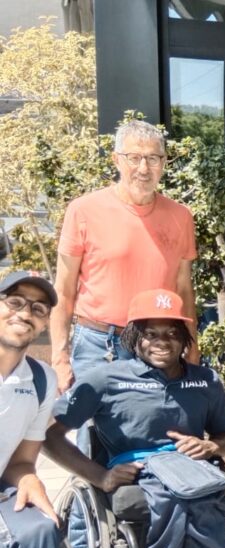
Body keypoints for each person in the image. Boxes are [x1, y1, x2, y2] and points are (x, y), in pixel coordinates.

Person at [44, 289, 225, 548]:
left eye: (172, 334)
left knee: (207, 492)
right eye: (151, 334)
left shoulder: (205, 380)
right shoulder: (106, 379)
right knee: (170, 495)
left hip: (190, 466)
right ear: (135, 337)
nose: (162, 342)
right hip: (137, 467)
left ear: (184, 340)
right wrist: (99, 476)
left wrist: (212, 446)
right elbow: (49, 436)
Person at [50, 120, 198, 393]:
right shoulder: (83, 210)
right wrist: (59, 357)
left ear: (163, 163)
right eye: (134, 158)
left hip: (158, 344)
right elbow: (64, 288)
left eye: (153, 158)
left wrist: (193, 347)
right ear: (116, 160)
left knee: (155, 431)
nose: (144, 168)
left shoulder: (181, 217)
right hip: (97, 345)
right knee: (93, 434)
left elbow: (184, 289)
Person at [0, 271, 63, 548]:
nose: (25, 313)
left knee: (43, 530)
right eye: (15, 302)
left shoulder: (42, 379)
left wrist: (30, 480)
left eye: (37, 308)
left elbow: (22, 460)